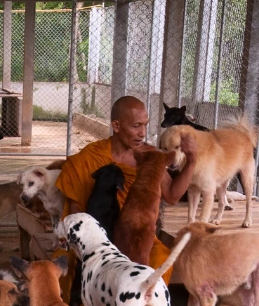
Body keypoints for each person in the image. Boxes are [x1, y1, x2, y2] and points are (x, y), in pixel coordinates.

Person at [56, 96, 197, 275]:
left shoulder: (151, 156)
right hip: (96, 236)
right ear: (116, 126)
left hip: (138, 237)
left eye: (145, 125)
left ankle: (144, 303)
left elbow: (171, 195)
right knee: (70, 267)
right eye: (136, 126)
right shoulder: (89, 158)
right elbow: (77, 211)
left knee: (159, 259)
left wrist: (191, 161)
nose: (143, 133)